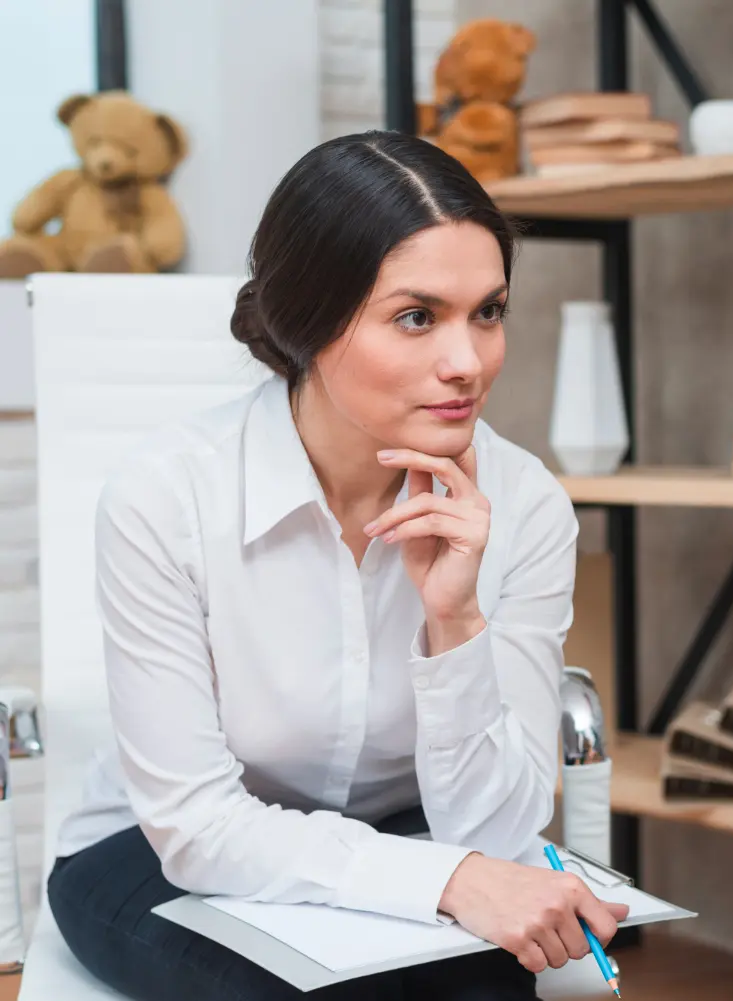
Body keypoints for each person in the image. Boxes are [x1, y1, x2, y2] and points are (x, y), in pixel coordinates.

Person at [46, 131, 627, 1001]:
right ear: (307, 321)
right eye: (417, 316)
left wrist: (456, 621)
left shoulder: (527, 504)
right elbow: (198, 826)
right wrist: (443, 881)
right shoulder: (166, 497)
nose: (467, 362)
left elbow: (501, 831)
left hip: (410, 832)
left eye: (489, 311)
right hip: (155, 856)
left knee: (495, 988)